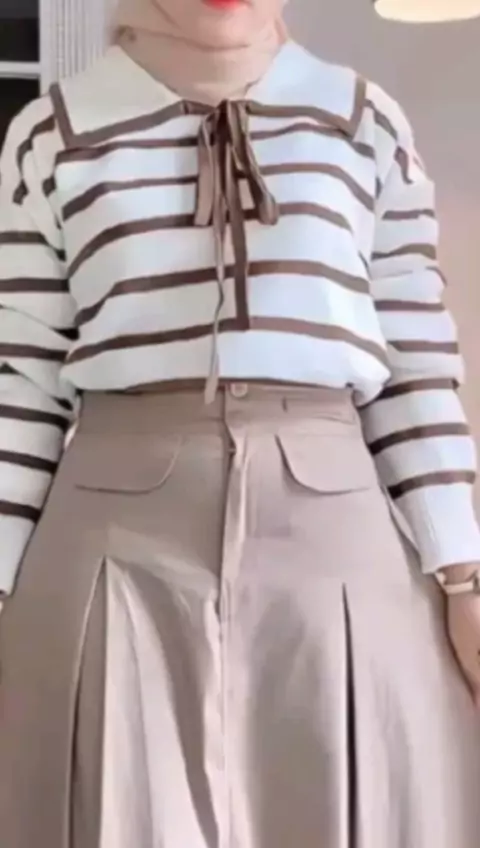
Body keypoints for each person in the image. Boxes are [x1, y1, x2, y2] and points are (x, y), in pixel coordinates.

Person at [0, 0, 479, 845]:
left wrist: (465, 577)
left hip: (339, 547)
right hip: (114, 552)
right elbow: (20, 383)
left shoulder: (361, 120)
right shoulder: (53, 133)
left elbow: (415, 368)